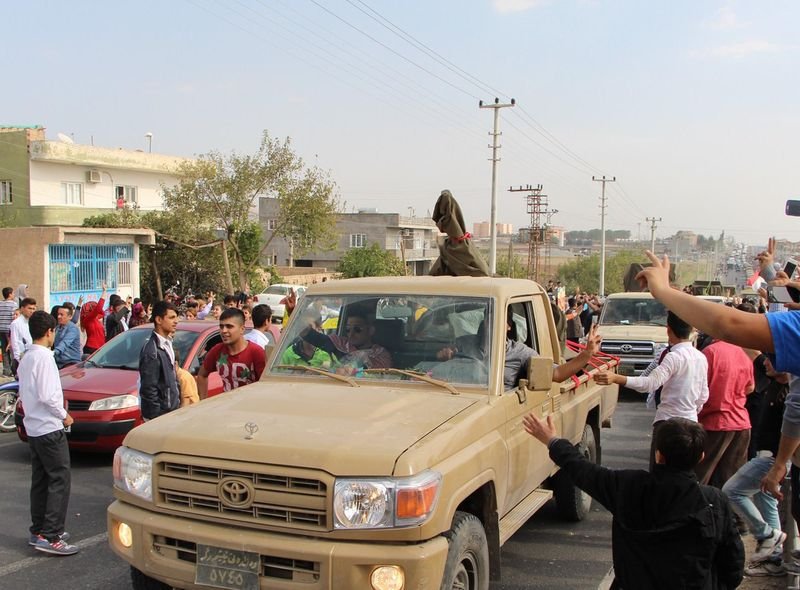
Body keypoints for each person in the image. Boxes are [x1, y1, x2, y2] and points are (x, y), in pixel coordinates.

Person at [524, 414, 744, 589]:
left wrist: (551, 440)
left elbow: (582, 469)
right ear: (701, 458)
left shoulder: (628, 485)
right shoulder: (714, 501)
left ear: (658, 455)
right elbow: (733, 564)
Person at [596, 311, 709, 469]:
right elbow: (703, 396)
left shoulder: (673, 357)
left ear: (668, 329)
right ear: (691, 330)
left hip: (668, 424)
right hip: (691, 423)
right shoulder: (700, 357)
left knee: (660, 475)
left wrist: (617, 378)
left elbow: (649, 384)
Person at [18, 311, 79, 556]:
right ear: (49, 332)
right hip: (49, 427)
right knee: (59, 479)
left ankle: (39, 530)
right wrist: (64, 415)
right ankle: (52, 535)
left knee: (42, 479)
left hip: (34, 426)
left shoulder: (27, 357)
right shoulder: (43, 358)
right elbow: (48, 395)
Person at [722, 358, 789, 576]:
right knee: (766, 502)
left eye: (772, 359)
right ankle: (774, 558)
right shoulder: (775, 380)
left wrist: (779, 464)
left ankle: (766, 534)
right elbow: (756, 353)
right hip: (768, 455)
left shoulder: (791, 394)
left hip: (773, 459)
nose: (766, 363)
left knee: (732, 491)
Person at [694, 337, 755, 488]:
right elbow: (750, 387)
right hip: (740, 422)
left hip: (714, 422)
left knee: (700, 478)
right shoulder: (742, 352)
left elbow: (699, 388)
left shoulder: (710, 353)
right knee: (732, 484)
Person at [197, 308, 266, 398]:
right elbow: (202, 375)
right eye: (221, 326)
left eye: (229, 326)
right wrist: (203, 402)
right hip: (226, 407)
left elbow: (266, 385)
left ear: (242, 329)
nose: (224, 331)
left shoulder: (256, 352)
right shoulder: (217, 350)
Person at [300, 308, 391, 371]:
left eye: (357, 329)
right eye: (348, 329)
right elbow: (310, 335)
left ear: (370, 330)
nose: (351, 334)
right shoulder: (340, 344)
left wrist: (362, 359)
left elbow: (381, 377)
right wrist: (293, 312)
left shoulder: (381, 355)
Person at [138, 301, 180, 420]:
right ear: (159, 320)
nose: (176, 321)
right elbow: (148, 389)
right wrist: (156, 417)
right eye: (171, 317)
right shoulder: (152, 350)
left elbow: (172, 379)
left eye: (176, 317)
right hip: (160, 417)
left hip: (171, 412)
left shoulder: (168, 343)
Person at [10, 297, 37, 377]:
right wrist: (19, 360)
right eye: (29, 308)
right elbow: (15, 343)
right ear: (22, 308)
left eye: (33, 309)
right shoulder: (16, 323)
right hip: (22, 358)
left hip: (32, 356)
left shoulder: (33, 322)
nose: (32, 311)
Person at [80, 284, 107, 354]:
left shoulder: (94, 318)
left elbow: (102, 313)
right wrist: (104, 291)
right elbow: (99, 308)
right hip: (92, 348)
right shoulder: (88, 318)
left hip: (98, 348)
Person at [53, 306, 81, 370]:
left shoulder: (72, 328)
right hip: (58, 363)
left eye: (61, 315)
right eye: (58, 314)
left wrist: (53, 353)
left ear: (70, 317)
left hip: (70, 363)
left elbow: (65, 343)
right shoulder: (57, 328)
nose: (59, 317)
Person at [0, 286, 19, 376]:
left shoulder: (0, 303)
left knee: (4, 350)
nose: (14, 295)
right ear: (10, 294)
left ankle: (6, 370)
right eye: (13, 293)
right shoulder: (14, 305)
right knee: (12, 349)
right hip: (9, 329)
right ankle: (13, 369)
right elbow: (14, 317)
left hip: (1, 329)